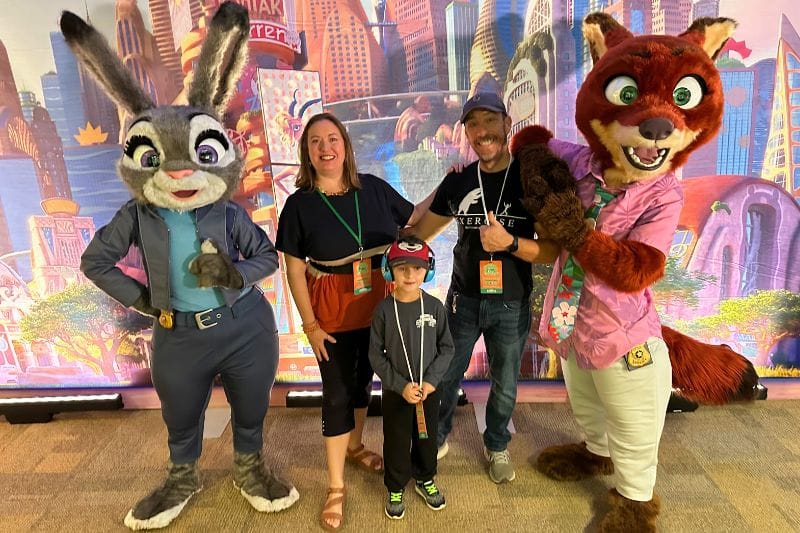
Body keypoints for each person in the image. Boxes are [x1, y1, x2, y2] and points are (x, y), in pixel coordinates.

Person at [275, 112, 420, 531]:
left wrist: (450, 190)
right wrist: (310, 327)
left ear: (345, 145)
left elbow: (414, 219)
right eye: (316, 141)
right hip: (331, 315)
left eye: (333, 138)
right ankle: (336, 486)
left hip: (378, 307)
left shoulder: (372, 188)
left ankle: (356, 446)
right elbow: (294, 271)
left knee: (362, 384)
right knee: (337, 395)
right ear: (307, 152)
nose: (326, 148)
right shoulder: (299, 205)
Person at [413, 92, 559, 484]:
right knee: (445, 375)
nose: (483, 131)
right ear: (466, 132)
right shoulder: (460, 180)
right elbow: (419, 232)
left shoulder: (529, 182)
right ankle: (437, 437)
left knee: (505, 384)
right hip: (463, 300)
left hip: (511, 303)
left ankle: (496, 444)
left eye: (490, 120)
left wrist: (509, 244)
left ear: (508, 124)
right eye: (473, 124)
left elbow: (550, 250)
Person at [368, 237, 454, 519]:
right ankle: (395, 486)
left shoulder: (435, 307)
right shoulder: (383, 310)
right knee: (395, 440)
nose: (409, 274)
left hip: (428, 390)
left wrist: (430, 382)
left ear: (427, 271)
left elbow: (447, 348)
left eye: (417, 268)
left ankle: (425, 477)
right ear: (389, 269)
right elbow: (376, 356)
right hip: (397, 392)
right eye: (402, 267)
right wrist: (399, 385)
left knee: (427, 439)